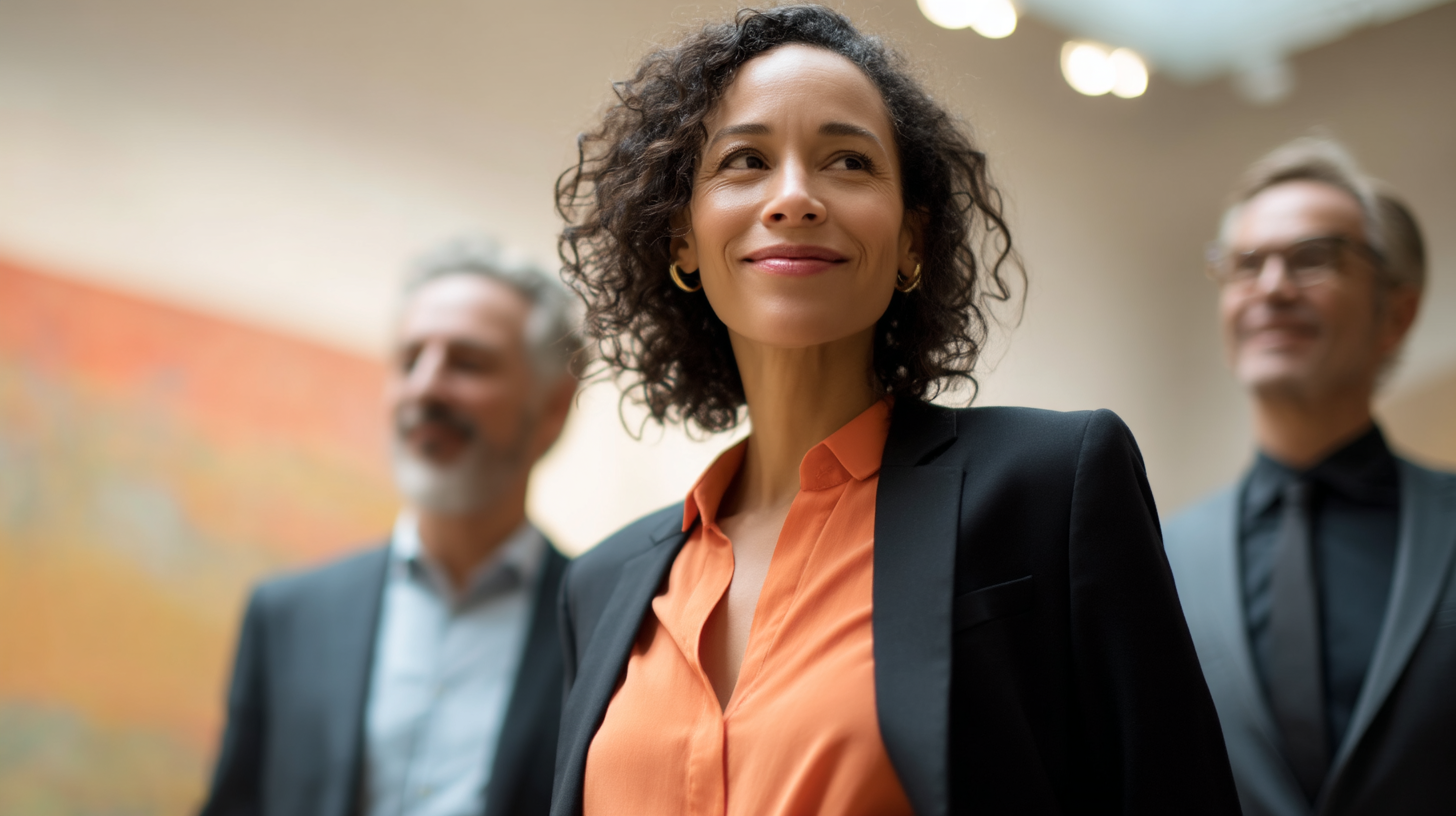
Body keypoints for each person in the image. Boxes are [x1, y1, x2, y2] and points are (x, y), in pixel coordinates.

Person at [549, 7, 1240, 816]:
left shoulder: (1053, 487)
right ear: (681, 242)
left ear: (913, 240)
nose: (796, 197)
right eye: (745, 160)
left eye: (847, 161)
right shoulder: (599, 586)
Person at [200, 240, 582, 816]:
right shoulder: (287, 614)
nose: (425, 388)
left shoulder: (608, 628)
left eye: (468, 363)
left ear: (553, 407)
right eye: (409, 361)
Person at [1165, 138, 1455, 816]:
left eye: (1313, 258)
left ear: (1397, 313)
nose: (1272, 287)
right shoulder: (1158, 557)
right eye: (1245, 265)